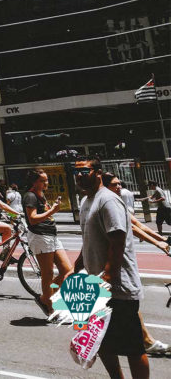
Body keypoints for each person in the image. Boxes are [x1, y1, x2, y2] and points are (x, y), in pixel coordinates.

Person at [75, 159, 148, 378]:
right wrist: (73, 270)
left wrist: (107, 276)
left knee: (132, 348)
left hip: (117, 289)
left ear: (97, 173)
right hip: (96, 287)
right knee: (101, 343)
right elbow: (88, 241)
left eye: (84, 171)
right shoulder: (86, 201)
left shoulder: (108, 201)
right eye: (76, 171)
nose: (78, 175)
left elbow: (117, 242)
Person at [104, 174, 170, 357]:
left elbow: (138, 225)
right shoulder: (108, 204)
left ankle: (144, 340)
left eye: (119, 184)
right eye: (114, 184)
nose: (119, 187)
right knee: (125, 304)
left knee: (127, 304)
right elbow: (133, 228)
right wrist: (158, 243)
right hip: (112, 261)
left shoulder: (116, 202)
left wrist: (161, 239)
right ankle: (136, 344)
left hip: (123, 260)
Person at [21, 168, 70, 317]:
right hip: (40, 237)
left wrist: (51, 209)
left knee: (67, 270)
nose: (46, 183)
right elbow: (33, 219)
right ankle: (51, 308)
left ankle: (46, 297)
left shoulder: (40, 195)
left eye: (46, 180)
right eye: (42, 180)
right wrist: (52, 211)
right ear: (34, 182)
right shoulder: (30, 196)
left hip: (51, 236)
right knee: (47, 274)